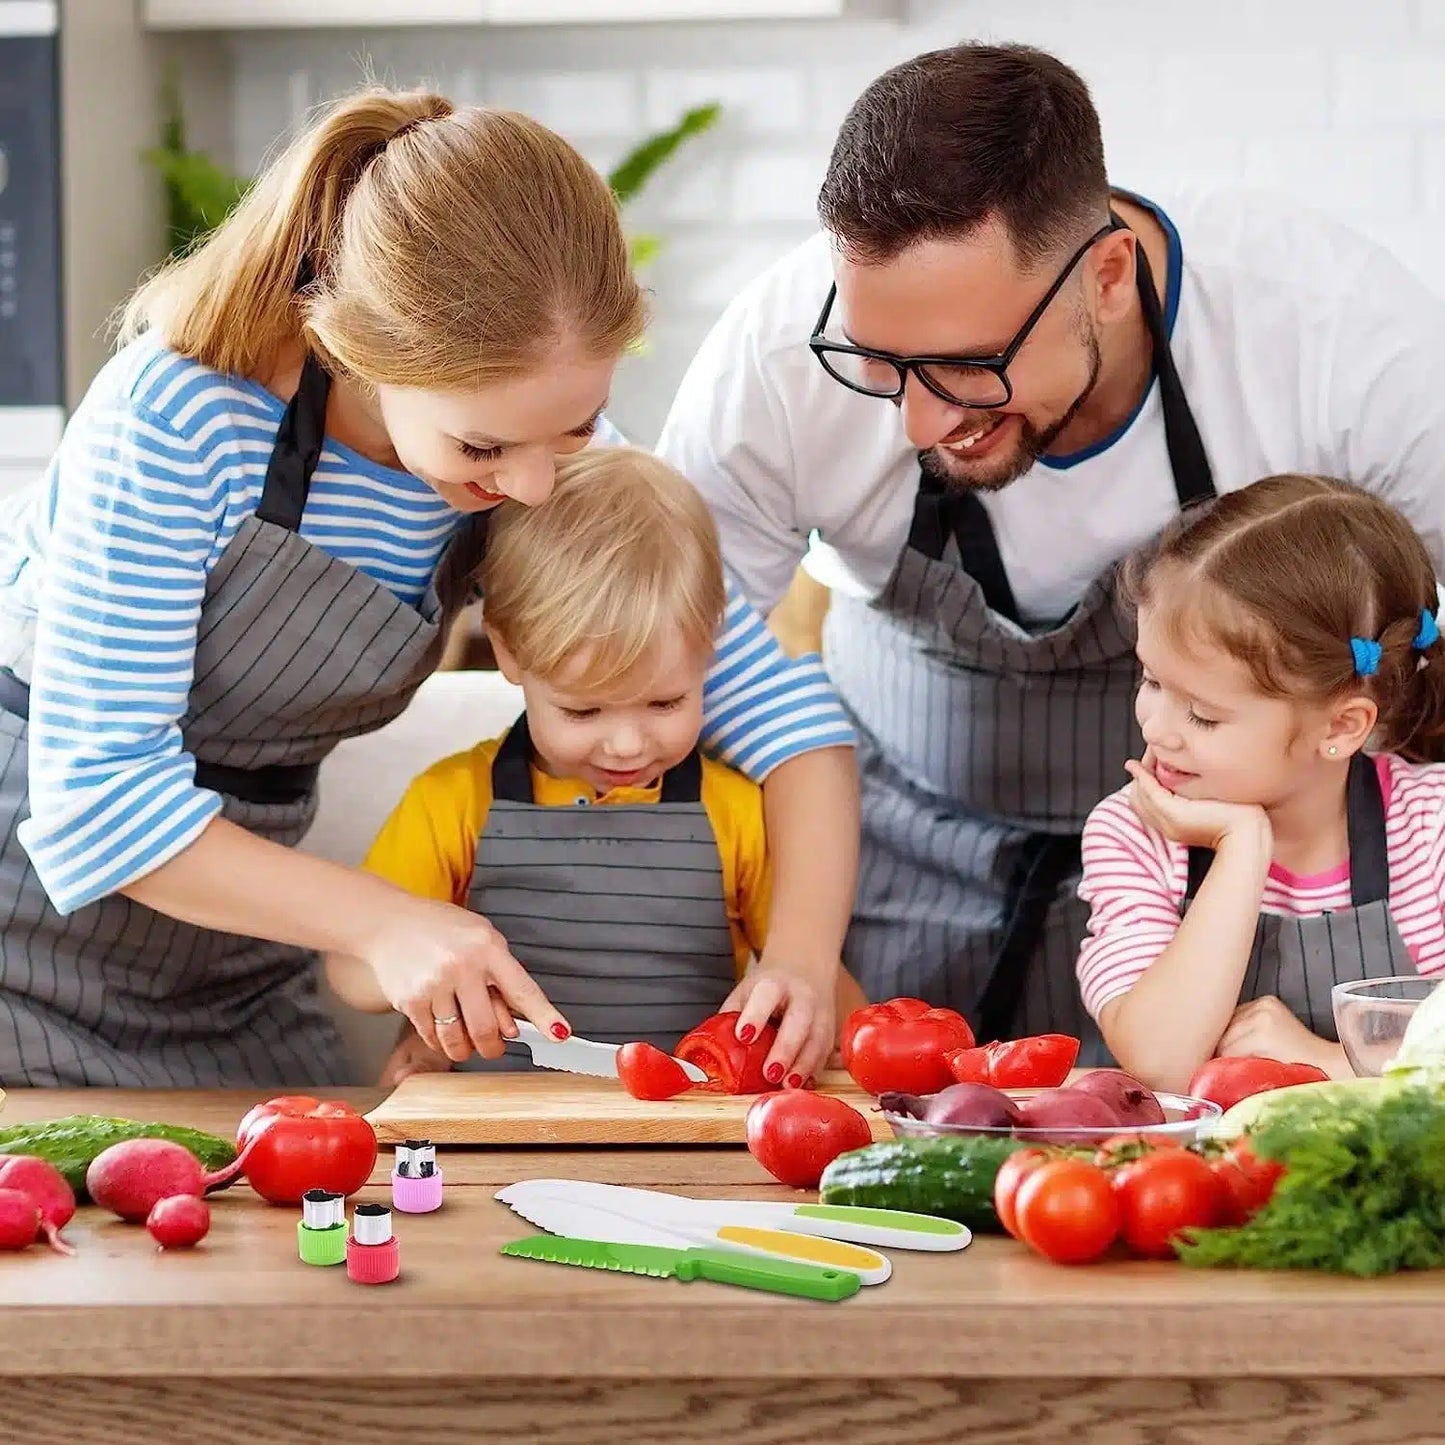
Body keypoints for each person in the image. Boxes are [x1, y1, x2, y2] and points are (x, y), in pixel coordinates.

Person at [0, 84, 859, 1090]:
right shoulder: (181, 418)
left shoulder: (537, 450)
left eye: (577, 425)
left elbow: (789, 722)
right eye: (481, 446)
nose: (533, 485)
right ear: (356, 351)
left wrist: (800, 959)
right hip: (22, 929)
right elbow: (97, 803)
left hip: (238, 953)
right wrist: (388, 922)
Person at [655, 41, 1445, 1063]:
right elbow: (666, 653)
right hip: (895, 868)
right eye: (881, 365)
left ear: (1106, 276)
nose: (915, 424)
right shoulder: (774, 363)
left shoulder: (1339, 338)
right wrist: (795, 935)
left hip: (1227, 901)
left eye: (966, 365)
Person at [328, 446, 867, 1085]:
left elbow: (820, 992)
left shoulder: (739, 814)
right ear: (508, 651)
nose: (627, 745)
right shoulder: (451, 802)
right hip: (495, 1121)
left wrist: (820, 1022)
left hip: (680, 1128)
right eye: (583, 711)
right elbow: (351, 971)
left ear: (710, 649)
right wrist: (429, 991)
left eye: (665, 703)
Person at [1075, 475, 1445, 1090]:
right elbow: (1161, 1061)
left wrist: (1321, 1063)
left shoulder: (1431, 832)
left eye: (1203, 715)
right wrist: (1241, 845)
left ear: (1341, 725)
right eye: (1152, 681)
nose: (1156, 728)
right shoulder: (1136, 834)